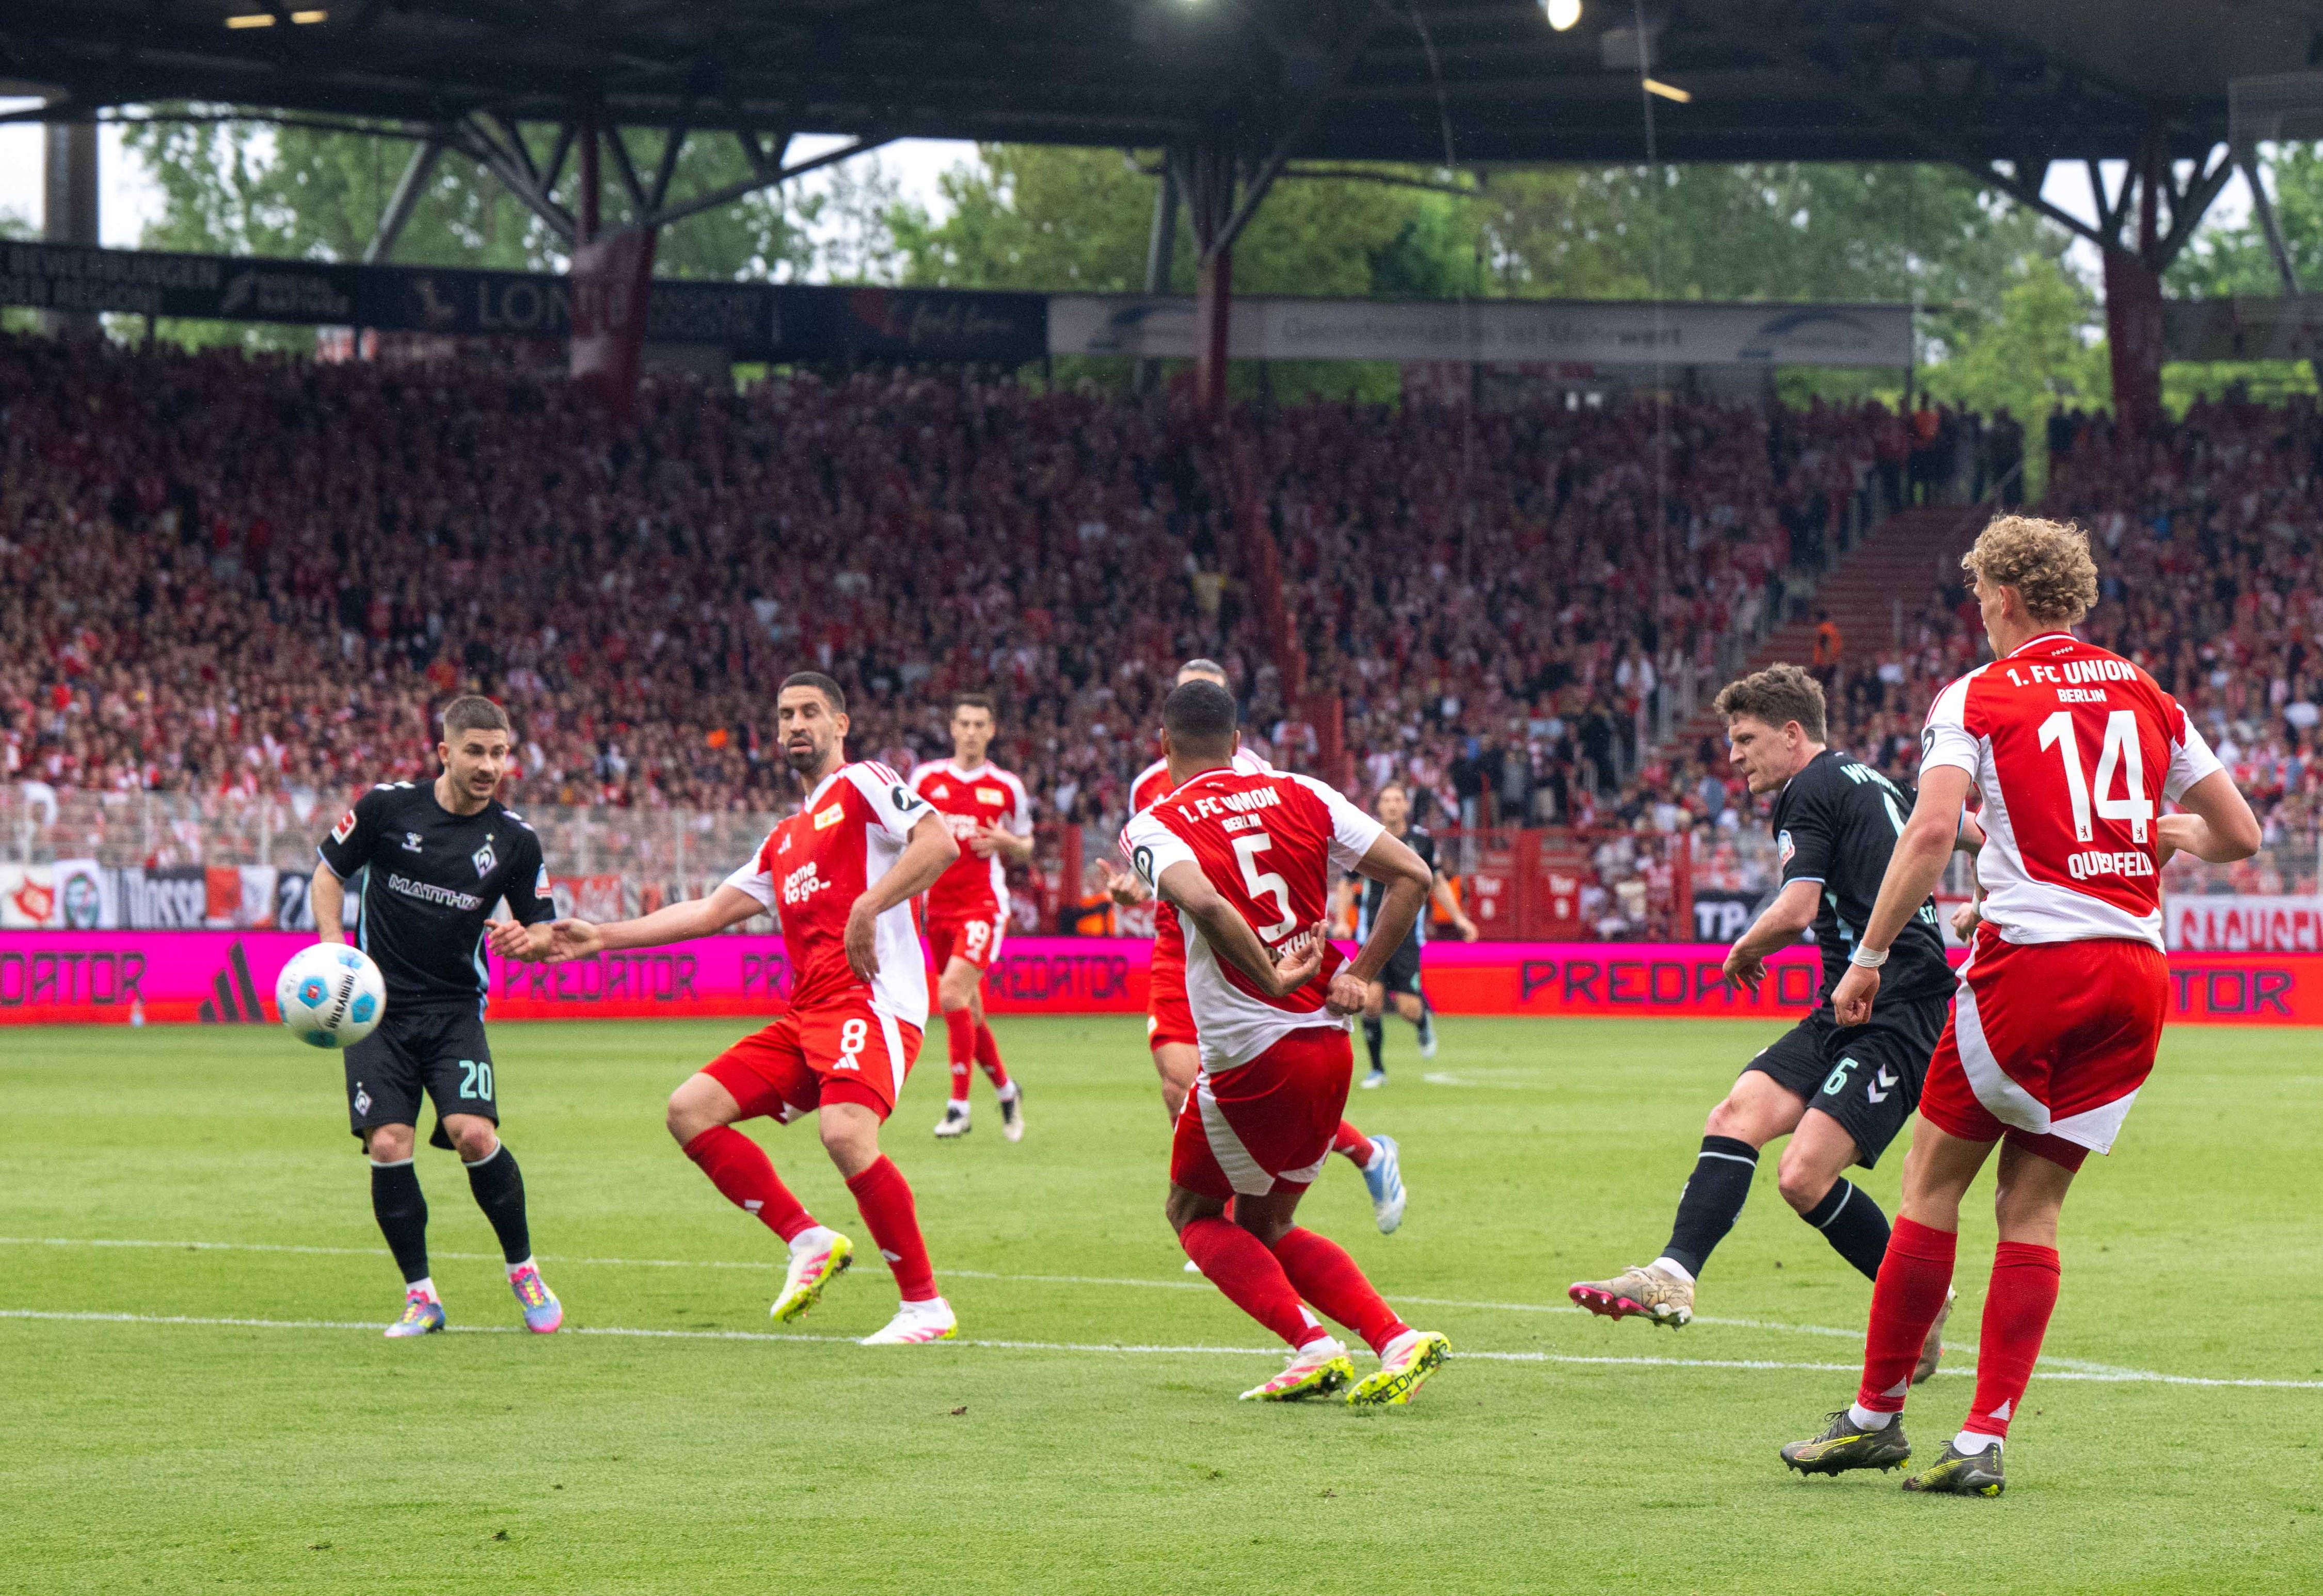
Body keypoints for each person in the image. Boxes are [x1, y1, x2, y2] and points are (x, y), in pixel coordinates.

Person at [1778, 517, 2257, 1495]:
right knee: (2033, 1209)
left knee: (1930, 1185)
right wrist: (2159, 832)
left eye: (1978, 596)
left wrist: (1867, 956)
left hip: (2032, 970)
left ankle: (1876, 1417)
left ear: (2000, 594)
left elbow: (1931, 830)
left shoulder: (1978, 693)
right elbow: (2238, 833)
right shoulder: (2147, 691)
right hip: (2136, 978)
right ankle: (1983, 1438)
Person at [499, 673, 966, 1346]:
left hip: (874, 1001)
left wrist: (869, 904)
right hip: (810, 1016)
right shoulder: (784, 839)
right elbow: (711, 911)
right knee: (690, 1110)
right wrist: (599, 936)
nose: (796, 724)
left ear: (842, 723)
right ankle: (807, 1239)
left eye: (810, 712)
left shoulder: (865, 782)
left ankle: (925, 1306)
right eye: (785, 715)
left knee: (843, 1134)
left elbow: (938, 841)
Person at [1568, 665, 1975, 1374]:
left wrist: (1740, 950)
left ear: (1793, 735)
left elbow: (1796, 910)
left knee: (1802, 1176)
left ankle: (1922, 1298)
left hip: (1903, 1007)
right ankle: (1675, 1271)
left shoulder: (1807, 790)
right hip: (1846, 1004)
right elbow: (1969, 832)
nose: (1733, 754)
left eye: (1746, 738)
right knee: (1735, 1115)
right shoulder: (1875, 781)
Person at [1122, 678, 1450, 1405]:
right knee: (1268, 1222)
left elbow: (1202, 901)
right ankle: (1395, 1340)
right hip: (1330, 1047)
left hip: (1252, 1055)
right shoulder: (1303, 791)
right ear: (1239, 743)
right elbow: (1414, 875)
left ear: (1165, 745)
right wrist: (1361, 974)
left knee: (1193, 1215)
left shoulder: (1154, 823)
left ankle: (1314, 1345)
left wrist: (1270, 978)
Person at [1103, 659, 1407, 1236]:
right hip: (1180, 946)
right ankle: (1215, 1215)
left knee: (1243, 1077)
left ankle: (1349, 1161)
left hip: (1260, 958)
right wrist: (1130, 890)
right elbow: (1163, 868)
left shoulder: (1267, 778)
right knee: (1179, 1079)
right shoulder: (1149, 786)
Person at [311, 695, 562, 1339]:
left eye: (499, 753)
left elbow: (544, 931)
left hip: (454, 1010)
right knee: (389, 1143)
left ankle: (524, 1268)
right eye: (475, 751)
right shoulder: (387, 808)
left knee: (473, 1133)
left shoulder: (514, 840)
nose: (488, 765)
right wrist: (335, 948)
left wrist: (524, 941)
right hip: (376, 1012)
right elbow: (328, 874)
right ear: (445, 752)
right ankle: (421, 1296)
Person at [909, 693, 1032, 1141]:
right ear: (953, 728)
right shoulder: (926, 779)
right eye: (965, 723)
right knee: (968, 1010)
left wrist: (1007, 842)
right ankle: (1005, 1089)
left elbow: (1027, 844)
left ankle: (959, 1106)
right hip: (937, 908)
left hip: (983, 905)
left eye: (981, 724)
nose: (972, 732)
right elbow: (907, 834)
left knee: (949, 994)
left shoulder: (1006, 786)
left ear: (992, 730)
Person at [1334, 781, 1477, 1088]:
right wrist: (1341, 920)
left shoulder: (1421, 842)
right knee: (1370, 1001)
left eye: (1398, 799)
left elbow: (1437, 883)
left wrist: (1460, 920)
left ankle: (1423, 1024)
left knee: (1408, 1009)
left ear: (1406, 805)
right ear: (1379, 806)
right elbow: (1347, 882)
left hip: (1406, 934)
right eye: (1386, 800)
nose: (1392, 805)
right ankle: (1377, 1070)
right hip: (1370, 932)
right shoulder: (1366, 837)